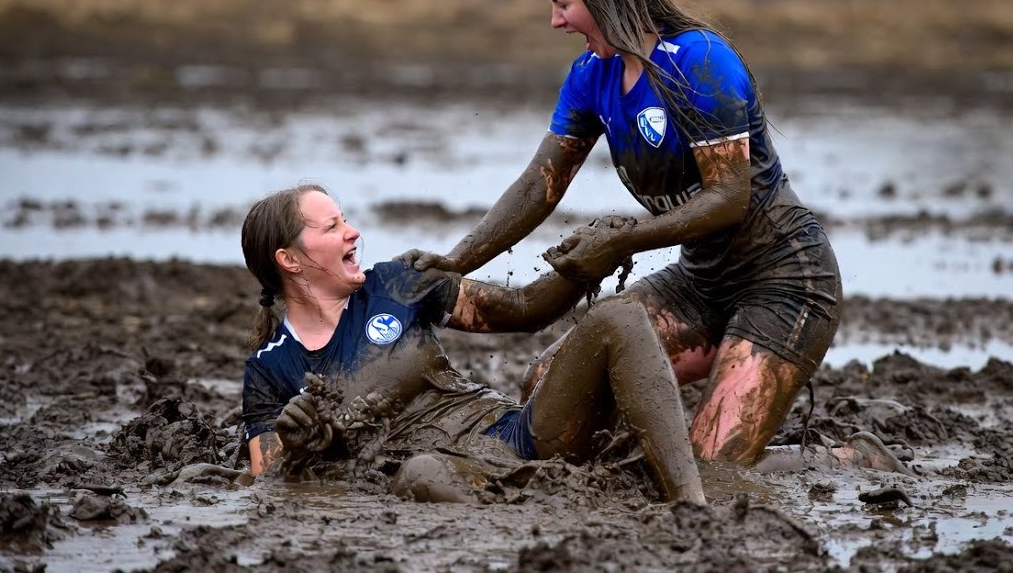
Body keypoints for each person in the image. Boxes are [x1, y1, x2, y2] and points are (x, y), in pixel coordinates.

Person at [398, 0, 899, 474]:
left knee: (711, 472)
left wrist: (622, 243)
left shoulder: (702, 62)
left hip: (783, 284)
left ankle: (853, 459)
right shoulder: (592, 75)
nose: (555, 20)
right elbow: (540, 186)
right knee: (549, 383)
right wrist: (456, 261)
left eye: (563, 3)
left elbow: (730, 198)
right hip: (698, 283)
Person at [239, 182, 706, 504]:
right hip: (451, 474)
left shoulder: (398, 283)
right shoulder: (269, 368)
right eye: (331, 228)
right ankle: (542, 526)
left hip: (522, 438)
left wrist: (586, 263)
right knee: (421, 473)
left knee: (618, 314)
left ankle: (691, 505)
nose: (353, 232)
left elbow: (525, 309)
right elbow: (268, 478)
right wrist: (298, 446)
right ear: (290, 260)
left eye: (346, 220)